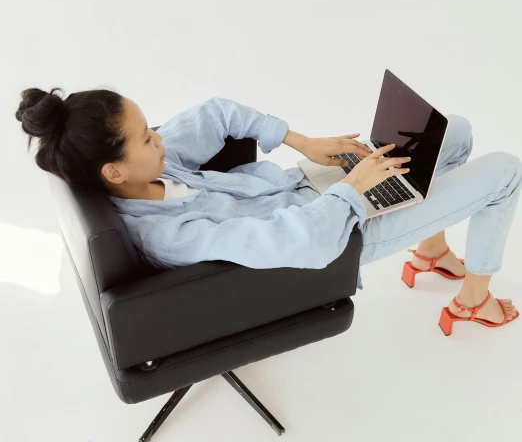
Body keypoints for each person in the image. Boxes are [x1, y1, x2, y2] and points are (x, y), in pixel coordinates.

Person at [16, 86, 521, 332]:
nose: (159, 139)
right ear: (114, 171)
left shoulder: (150, 172)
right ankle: (474, 298)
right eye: (146, 137)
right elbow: (298, 243)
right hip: (336, 232)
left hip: (307, 187)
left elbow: (216, 113)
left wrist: (303, 142)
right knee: (506, 171)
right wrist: (356, 189)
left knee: (453, 132)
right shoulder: (169, 236)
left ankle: (431, 249)